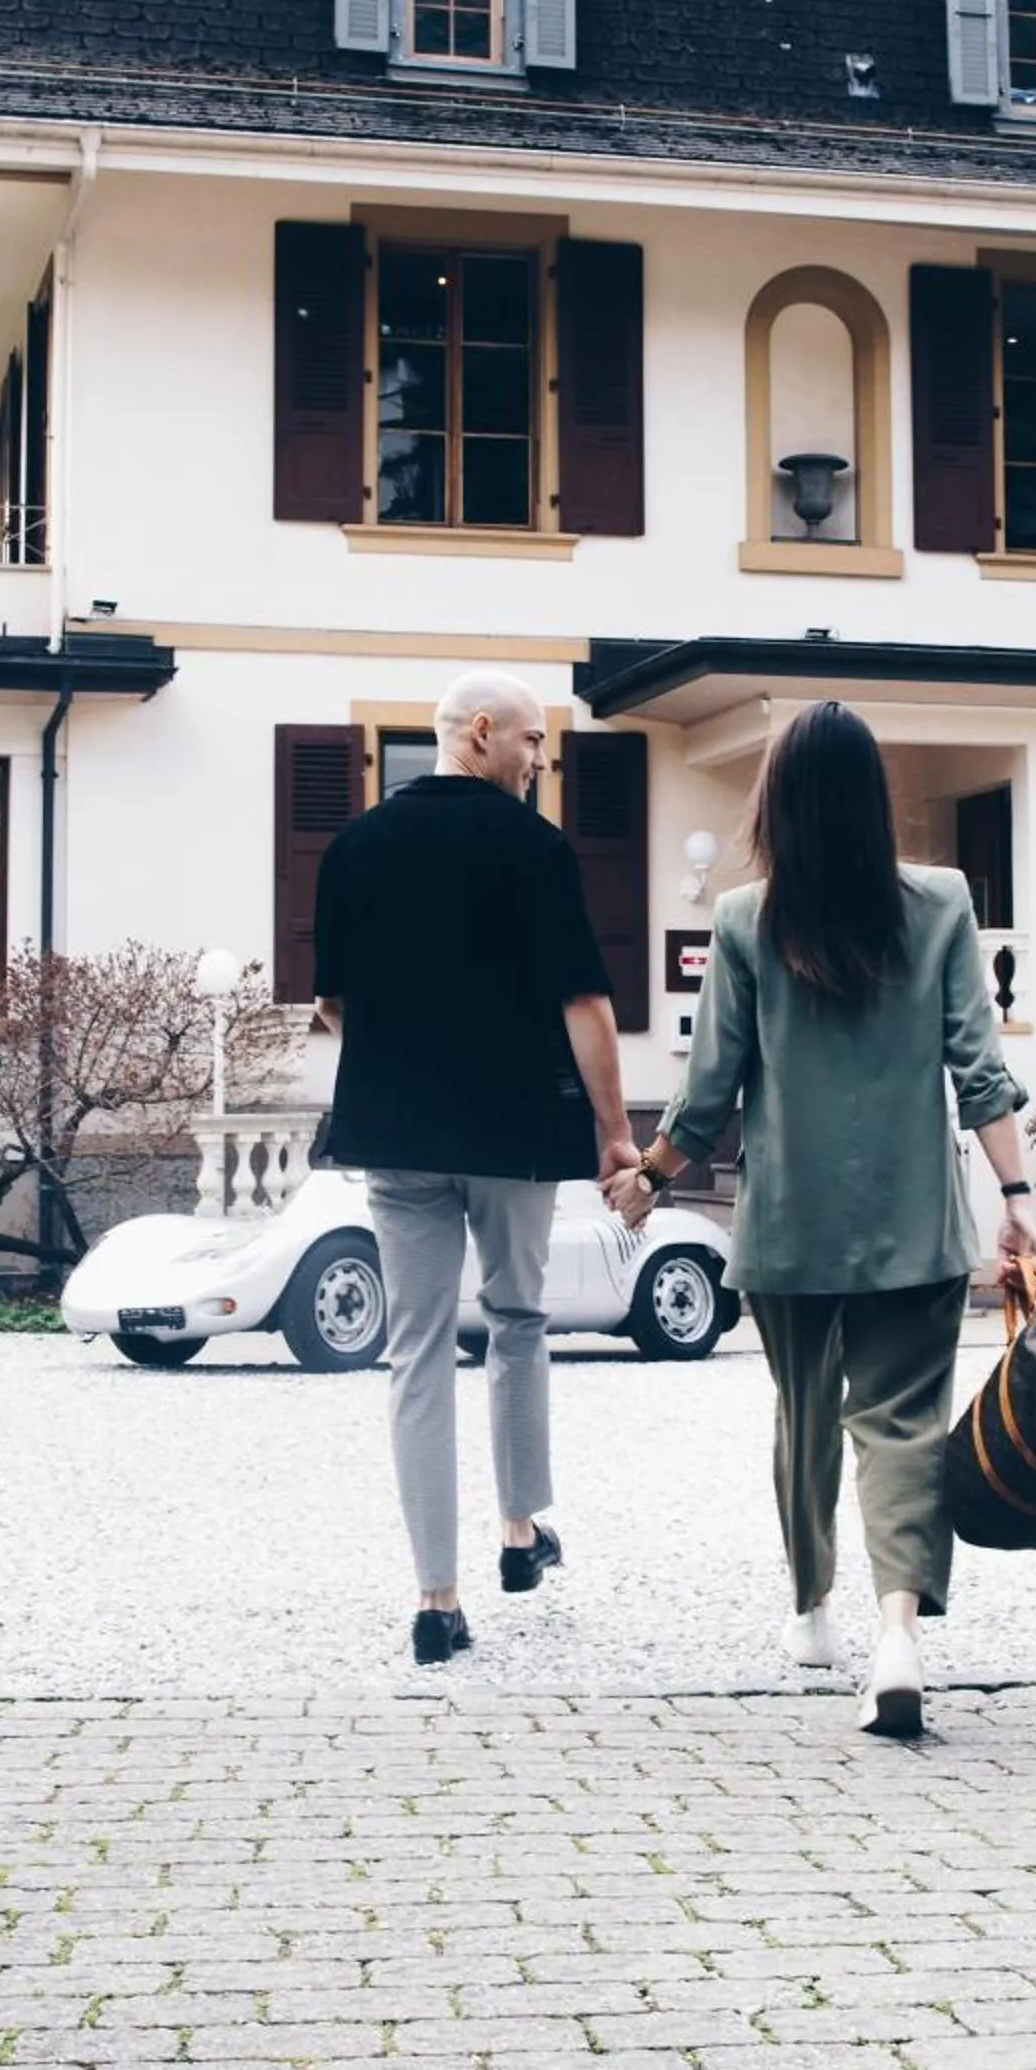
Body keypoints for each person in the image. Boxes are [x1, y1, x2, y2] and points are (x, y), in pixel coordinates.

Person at [607, 700, 1036, 1740]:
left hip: (791, 1225)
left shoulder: (747, 919)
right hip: (915, 1219)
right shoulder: (941, 902)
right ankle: (899, 1633)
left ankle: (813, 1613)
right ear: (872, 801)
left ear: (776, 805)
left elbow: (710, 1087)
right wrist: (1018, 1200)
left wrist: (651, 1178)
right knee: (902, 1424)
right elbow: (978, 1070)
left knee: (804, 1415)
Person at [314, 672, 638, 1666]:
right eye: (535, 742)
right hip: (510, 1133)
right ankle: (518, 1528)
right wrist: (616, 1133)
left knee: (414, 1353)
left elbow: (334, 1009)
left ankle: (435, 1601)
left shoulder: (353, 846)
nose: (541, 761)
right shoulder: (536, 852)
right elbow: (584, 1006)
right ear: (484, 733)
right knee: (517, 1318)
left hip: (396, 1134)